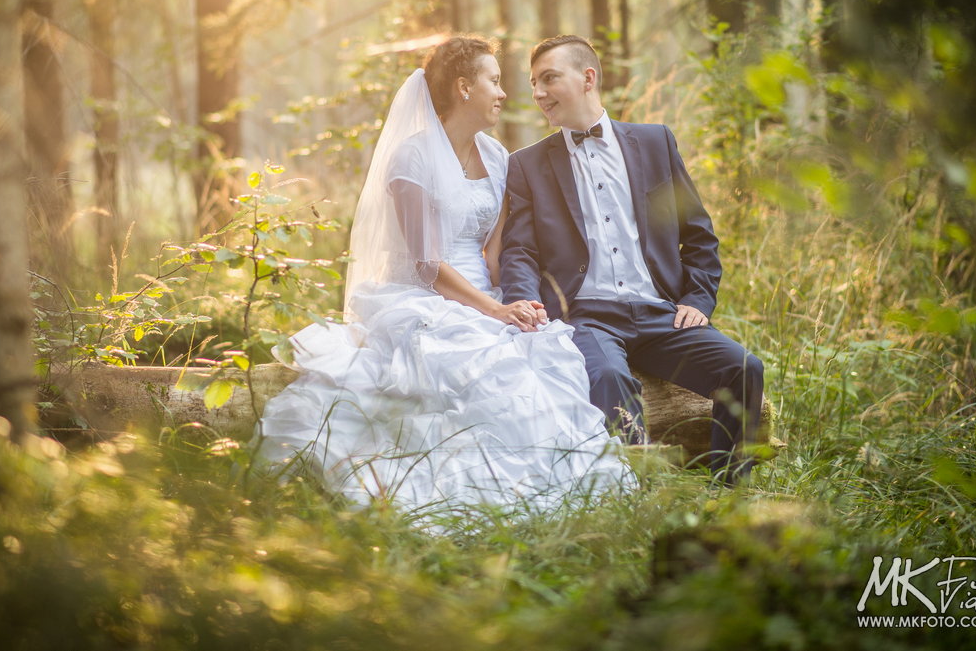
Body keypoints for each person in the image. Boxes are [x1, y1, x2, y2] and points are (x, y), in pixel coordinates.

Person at [257, 35, 633, 513]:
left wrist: (517, 301)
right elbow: (427, 264)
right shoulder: (411, 158)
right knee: (471, 367)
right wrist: (494, 309)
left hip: (485, 292)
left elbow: (495, 246)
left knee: (541, 350)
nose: (503, 93)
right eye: (493, 81)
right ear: (463, 88)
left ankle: (549, 485)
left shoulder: (497, 157)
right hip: (423, 296)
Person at [501, 35, 764, 485]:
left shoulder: (655, 142)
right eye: (533, 84)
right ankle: (634, 493)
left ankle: (729, 491)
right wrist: (527, 304)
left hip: (661, 313)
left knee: (743, 368)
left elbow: (697, 234)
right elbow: (519, 250)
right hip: (587, 316)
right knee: (607, 377)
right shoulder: (526, 165)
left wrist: (697, 300)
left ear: (588, 78)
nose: (538, 93)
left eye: (549, 79)